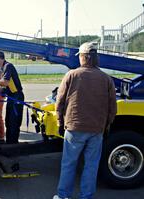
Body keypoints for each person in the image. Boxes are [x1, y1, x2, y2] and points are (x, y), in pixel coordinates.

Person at [53, 42, 117, 199]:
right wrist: (106, 125)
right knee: (91, 166)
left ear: (83, 57)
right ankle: (86, 196)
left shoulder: (72, 75)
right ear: (96, 58)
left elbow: (59, 102)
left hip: (74, 127)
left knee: (69, 164)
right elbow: (112, 107)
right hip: (96, 130)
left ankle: (63, 196)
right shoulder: (106, 78)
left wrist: (60, 123)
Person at [0, 51, 24, 144]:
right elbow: (2, 87)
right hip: (11, 97)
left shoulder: (8, 66)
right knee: (8, 121)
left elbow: (5, 82)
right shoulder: (2, 68)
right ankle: (9, 143)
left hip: (17, 97)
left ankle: (13, 144)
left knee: (13, 122)